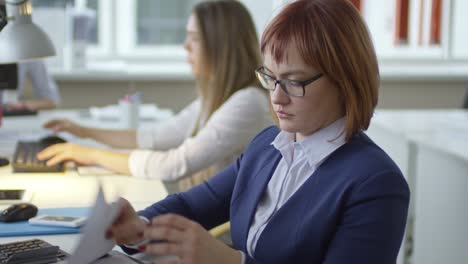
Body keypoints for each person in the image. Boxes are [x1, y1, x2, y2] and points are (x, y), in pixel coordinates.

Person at [105, 0, 410, 263]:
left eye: (294, 81)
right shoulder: (268, 146)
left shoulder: (376, 184)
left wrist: (232, 262)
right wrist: (139, 226)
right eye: (271, 77)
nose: (276, 96)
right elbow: (190, 205)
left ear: (345, 80)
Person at [37, 0, 272, 191]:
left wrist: (90, 154)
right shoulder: (218, 98)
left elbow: (174, 165)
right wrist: (82, 131)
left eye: (195, 38)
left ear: (222, 46)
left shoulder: (247, 103)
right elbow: (155, 137)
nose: (185, 46)